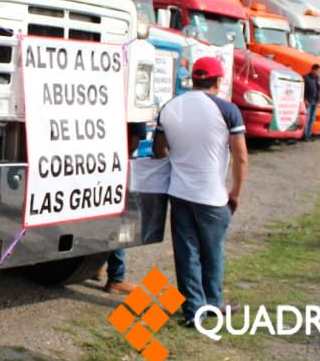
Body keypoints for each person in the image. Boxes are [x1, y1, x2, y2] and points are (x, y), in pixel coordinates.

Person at [152, 56, 248, 328]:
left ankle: (193, 309)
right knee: (212, 252)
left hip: (180, 193)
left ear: (193, 79)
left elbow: (160, 150)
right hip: (213, 196)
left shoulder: (171, 107)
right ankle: (214, 303)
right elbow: (241, 157)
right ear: (218, 81)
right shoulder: (227, 110)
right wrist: (237, 192)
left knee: (187, 252)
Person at [99, 122, 149, 293]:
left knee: (102, 219)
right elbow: (133, 143)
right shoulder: (130, 107)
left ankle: (98, 266)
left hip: (98, 163)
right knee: (123, 225)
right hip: (119, 168)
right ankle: (116, 277)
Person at [303, 64, 320, 141]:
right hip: (308, 101)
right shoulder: (306, 78)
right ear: (313, 70)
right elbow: (302, 89)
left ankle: (309, 134)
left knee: (312, 118)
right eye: (318, 71)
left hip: (315, 101)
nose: (319, 73)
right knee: (307, 119)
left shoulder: (317, 79)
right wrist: (304, 99)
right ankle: (305, 135)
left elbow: (319, 89)